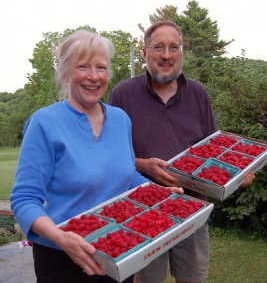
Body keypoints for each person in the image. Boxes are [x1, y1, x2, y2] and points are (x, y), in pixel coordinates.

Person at [10, 29, 183, 283]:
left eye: (101, 68)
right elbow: (24, 199)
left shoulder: (120, 119)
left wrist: (158, 193)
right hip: (63, 259)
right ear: (66, 72)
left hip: (118, 250)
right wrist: (61, 238)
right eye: (83, 67)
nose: (93, 77)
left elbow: (127, 176)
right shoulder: (45, 123)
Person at [108, 20, 254, 283]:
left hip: (193, 208)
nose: (166, 55)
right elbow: (109, 156)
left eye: (174, 47)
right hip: (141, 211)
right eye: (159, 47)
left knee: (192, 278)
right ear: (145, 53)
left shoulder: (197, 93)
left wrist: (236, 174)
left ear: (181, 52)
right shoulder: (123, 94)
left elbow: (214, 149)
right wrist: (142, 165)